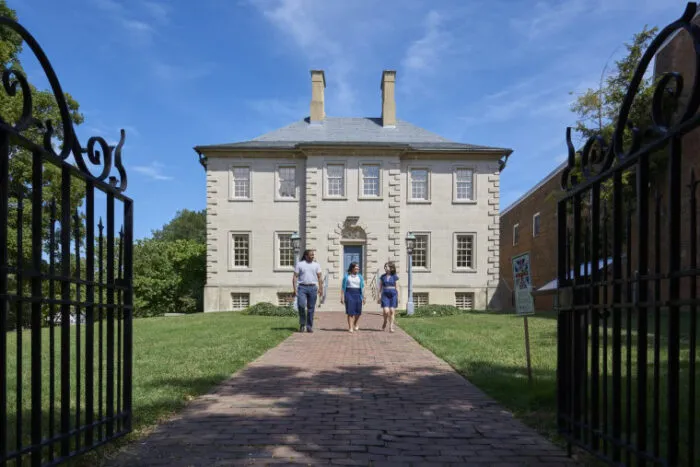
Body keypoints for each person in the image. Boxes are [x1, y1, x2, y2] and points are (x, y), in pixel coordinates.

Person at [292, 249, 323, 333]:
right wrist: (295, 289)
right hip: (302, 287)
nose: (313, 256)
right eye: (311, 255)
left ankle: (309, 326)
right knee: (301, 305)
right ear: (306, 256)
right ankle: (302, 324)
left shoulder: (316, 265)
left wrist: (321, 288)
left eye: (313, 255)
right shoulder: (300, 264)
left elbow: (320, 277)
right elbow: (295, 277)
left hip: (313, 288)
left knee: (311, 308)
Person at [340, 262, 366, 333]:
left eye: (358, 268)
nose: (357, 269)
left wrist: (364, 297)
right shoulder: (346, 277)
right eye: (356, 267)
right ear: (352, 268)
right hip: (349, 294)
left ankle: (355, 323)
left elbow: (363, 287)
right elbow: (343, 288)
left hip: (358, 294)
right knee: (350, 312)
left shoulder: (360, 276)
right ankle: (350, 327)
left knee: (358, 312)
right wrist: (342, 297)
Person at [378, 262, 400, 332]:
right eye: (385, 267)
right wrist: (379, 296)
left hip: (393, 294)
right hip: (385, 295)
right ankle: (385, 321)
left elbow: (397, 287)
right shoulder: (382, 276)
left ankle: (391, 327)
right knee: (386, 311)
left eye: (386, 266)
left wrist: (398, 297)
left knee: (392, 311)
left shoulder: (395, 276)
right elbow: (380, 287)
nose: (385, 268)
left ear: (391, 268)